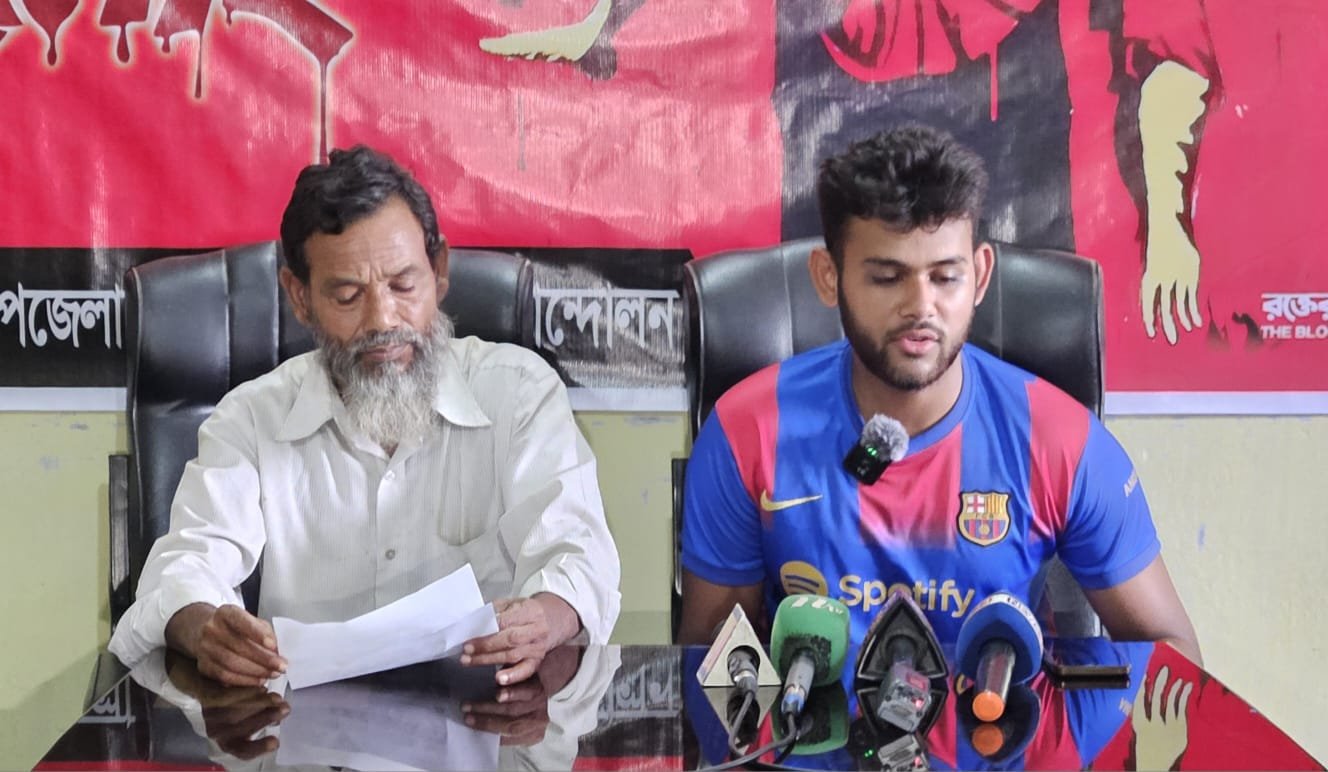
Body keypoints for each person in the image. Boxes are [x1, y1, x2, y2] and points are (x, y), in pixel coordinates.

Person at [677, 125, 1201, 665]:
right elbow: (711, 661)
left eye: (946, 277)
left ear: (980, 276)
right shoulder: (748, 431)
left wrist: (1064, 715)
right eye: (887, 278)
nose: (920, 307)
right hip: (807, 718)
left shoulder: (1062, 442)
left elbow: (1174, 659)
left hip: (998, 716)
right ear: (829, 277)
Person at [109, 145, 621, 687]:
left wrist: (546, 616)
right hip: (302, 720)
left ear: (439, 272)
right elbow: (185, 567)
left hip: (483, 714)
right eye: (349, 296)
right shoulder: (250, 419)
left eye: (403, 286)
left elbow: (579, 557)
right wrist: (205, 627)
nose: (382, 320)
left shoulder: (518, 393)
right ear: (300, 297)